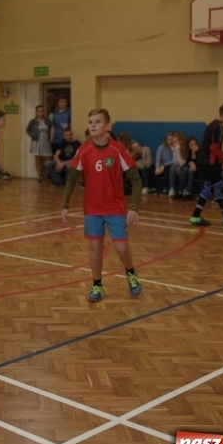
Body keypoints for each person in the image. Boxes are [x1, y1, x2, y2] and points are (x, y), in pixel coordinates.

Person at [61, 108, 143, 303]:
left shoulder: (117, 150)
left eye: (98, 122)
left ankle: (131, 273)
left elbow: (136, 180)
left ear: (107, 126)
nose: (93, 125)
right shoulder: (84, 150)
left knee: (121, 248)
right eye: (91, 122)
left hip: (115, 208)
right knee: (95, 247)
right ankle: (97, 284)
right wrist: (65, 204)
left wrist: (134, 207)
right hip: (92, 208)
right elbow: (72, 180)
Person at [188, 104, 223, 227]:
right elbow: (214, 148)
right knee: (219, 188)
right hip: (210, 163)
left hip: (202, 162)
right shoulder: (220, 127)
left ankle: (195, 216)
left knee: (208, 188)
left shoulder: (211, 125)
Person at [25, 105, 53, 181]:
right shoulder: (33, 122)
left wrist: (51, 138)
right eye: (39, 111)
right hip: (36, 141)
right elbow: (28, 130)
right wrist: (33, 135)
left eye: (42, 111)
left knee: (47, 158)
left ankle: (48, 175)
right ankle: (40, 175)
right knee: (38, 159)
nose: (41, 113)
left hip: (46, 141)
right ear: (36, 112)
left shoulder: (48, 121)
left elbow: (52, 128)